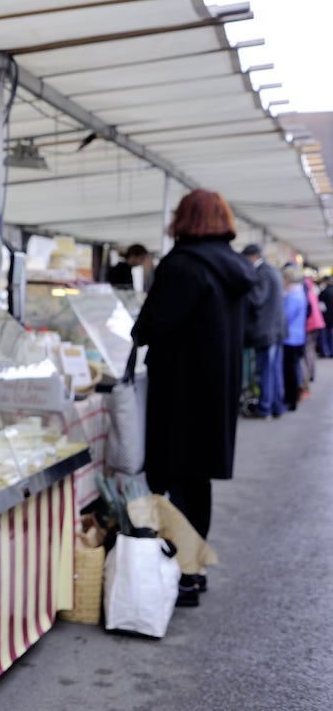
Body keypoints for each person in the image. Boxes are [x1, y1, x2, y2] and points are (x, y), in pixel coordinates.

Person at [130, 189, 254, 606]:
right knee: (198, 483)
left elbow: (149, 326)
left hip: (178, 392)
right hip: (216, 391)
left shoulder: (182, 265)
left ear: (183, 219)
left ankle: (181, 575)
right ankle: (193, 571)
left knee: (170, 479)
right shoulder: (235, 267)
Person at [240, 244, 286, 418]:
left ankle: (265, 408)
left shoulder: (262, 273)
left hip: (266, 331)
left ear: (251, 256)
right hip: (275, 330)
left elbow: (257, 299)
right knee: (273, 371)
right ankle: (275, 406)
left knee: (265, 371)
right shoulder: (272, 271)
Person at [281, 264, 308, 410]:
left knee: (289, 372)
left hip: (290, 339)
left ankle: (291, 400)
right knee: (293, 370)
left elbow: (286, 317)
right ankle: (293, 397)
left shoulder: (292, 296)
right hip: (298, 337)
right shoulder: (299, 293)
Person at [319, 276, 333, 358]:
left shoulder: (324, 292)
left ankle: (325, 352)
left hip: (325, 317)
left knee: (324, 335)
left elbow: (320, 305)